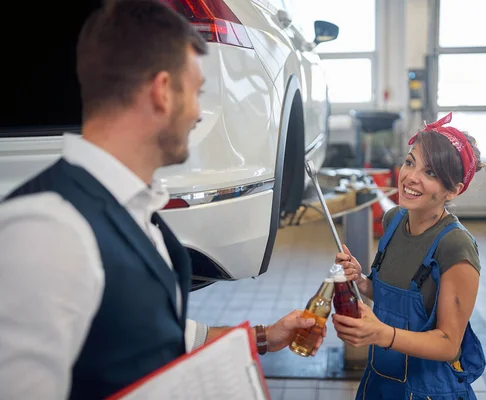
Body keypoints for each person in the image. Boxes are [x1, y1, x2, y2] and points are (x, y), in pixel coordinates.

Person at [0, 1, 324, 399]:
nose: (196, 114)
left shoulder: (137, 214)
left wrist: (263, 337)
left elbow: (149, 328)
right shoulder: (47, 230)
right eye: (197, 93)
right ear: (162, 93)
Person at [332, 112, 486, 399]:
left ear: (453, 190)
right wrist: (361, 280)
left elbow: (449, 343)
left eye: (430, 173)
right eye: (410, 162)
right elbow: (396, 300)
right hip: (379, 380)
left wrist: (381, 334)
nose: (410, 178)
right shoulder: (393, 221)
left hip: (427, 389)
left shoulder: (455, 246)